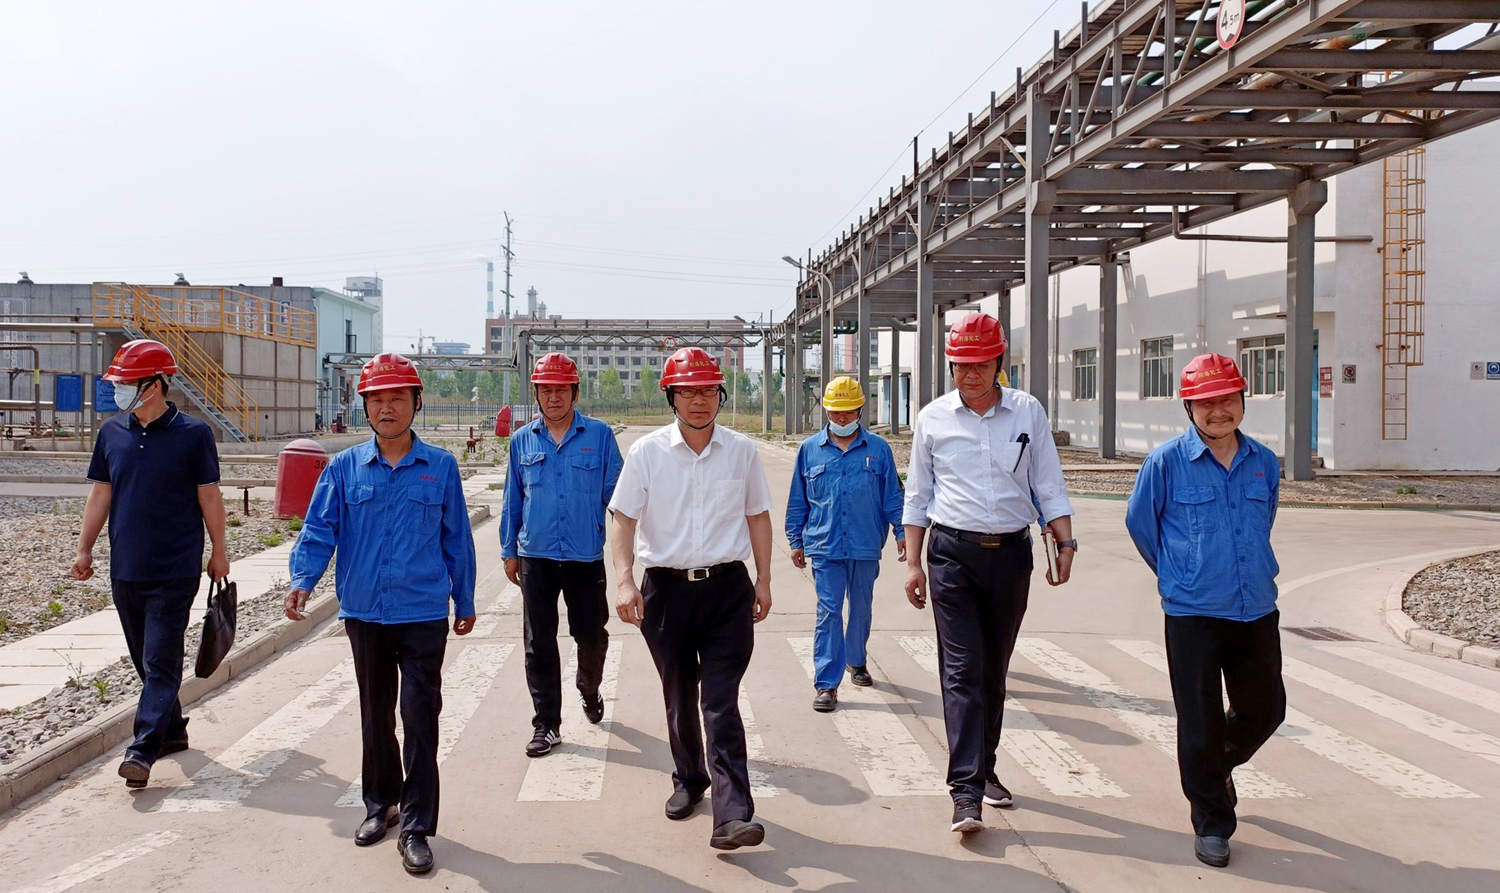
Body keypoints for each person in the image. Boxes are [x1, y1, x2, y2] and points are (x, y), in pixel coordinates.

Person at [284, 352, 476, 876]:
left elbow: (457, 537)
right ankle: (380, 805)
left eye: (397, 398)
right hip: (365, 611)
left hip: (422, 612)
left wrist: (465, 599)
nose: (387, 408)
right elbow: (319, 529)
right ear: (364, 406)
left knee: (420, 717)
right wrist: (302, 580)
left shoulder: (440, 467)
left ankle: (416, 827)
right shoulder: (344, 467)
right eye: (377, 400)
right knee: (375, 714)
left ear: (416, 402)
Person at [902, 311, 1076, 834]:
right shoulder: (933, 418)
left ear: (999, 362)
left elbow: (1048, 483)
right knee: (961, 671)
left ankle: (986, 768)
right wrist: (912, 563)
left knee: (993, 670)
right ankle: (966, 792)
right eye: (961, 365)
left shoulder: (1027, 412)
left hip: (1011, 556)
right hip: (951, 554)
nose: (971, 374)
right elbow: (918, 495)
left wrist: (1065, 541)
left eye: (981, 364)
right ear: (950, 366)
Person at [1124, 353, 1286, 869]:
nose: (1219, 411)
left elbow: (1265, 520)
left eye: (1228, 399)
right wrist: (1180, 575)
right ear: (1189, 407)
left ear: (1242, 401)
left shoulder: (1264, 461)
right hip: (1192, 613)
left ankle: (1214, 770)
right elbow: (1141, 525)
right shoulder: (1165, 463)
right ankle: (1213, 821)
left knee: (1266, 709)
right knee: (1199, 718)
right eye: (1207, 402)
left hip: (1255, 606)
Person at [609, 346, 774, 851]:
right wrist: (625, 580)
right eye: (687, 392)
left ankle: (733, 813)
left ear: (720, 395)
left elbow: (758, 516)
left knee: (720, 701)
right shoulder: (647, 453)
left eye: (707, 391)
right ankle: (689, 778)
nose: (698, 401)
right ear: (671, 397)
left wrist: (764, 579)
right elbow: (623, 519)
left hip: (727, 591)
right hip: (666, 592)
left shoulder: (741, 452)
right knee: (679, 694)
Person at [70, 339, 229, 790]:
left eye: (126, 383)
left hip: (175, 568)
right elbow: (101, 493)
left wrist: (219, 551)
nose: (118, 390)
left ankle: (142, 750)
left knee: (160, 658)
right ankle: (172, 730)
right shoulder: (111, 434)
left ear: (155, 385)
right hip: (126, 566)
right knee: (146, 659)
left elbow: (209, 497)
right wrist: (84, 548)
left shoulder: (194, 434)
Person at [500, 351, 623, 757]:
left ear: (575, 392)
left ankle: (589, 688)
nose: (553, 397)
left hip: (584, 557)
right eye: (546, 390)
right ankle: (546, 724)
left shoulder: (599, 437)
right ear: (536, 394)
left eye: (561, 390)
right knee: (538, 643)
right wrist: (509, 550)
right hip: (535, 556)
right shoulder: (522, 440)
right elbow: (513, 499)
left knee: (591, 635)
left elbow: (619, 498)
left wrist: (632, 547)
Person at [785, 375, 905, 712]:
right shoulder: (809, 450)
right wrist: (795, 539)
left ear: (860, 410)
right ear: (826, 410)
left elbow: (893, 496)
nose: (842, 418)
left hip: (866, 544)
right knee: (829, 611)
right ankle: (826, 683)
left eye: (849, 412)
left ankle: (856, 660)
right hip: (824, 545)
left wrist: (901, 533)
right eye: (836, 412)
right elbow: (798, 499)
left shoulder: (878, 449)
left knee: (861, 608)